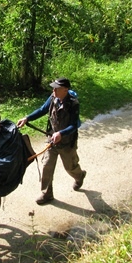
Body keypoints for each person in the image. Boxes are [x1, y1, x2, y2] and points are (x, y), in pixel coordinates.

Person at [17, 77, 85, 205]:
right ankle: (47, 194)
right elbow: (42, 109)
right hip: (52, 139)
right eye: (53, 87)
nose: (53, 90)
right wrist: (27, 118)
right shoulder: (53, 97)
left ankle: (79, 176)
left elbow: (74, 125)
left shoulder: (73, 104)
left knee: (70, 167)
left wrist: (61, 133)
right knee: (46, 166)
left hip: (67, 142)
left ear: (65, 90)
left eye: (56, 88)